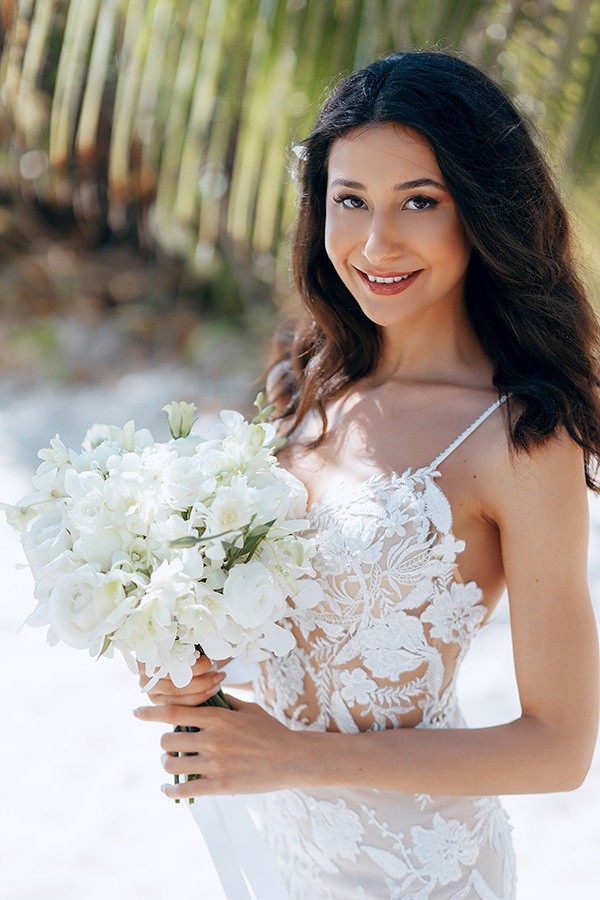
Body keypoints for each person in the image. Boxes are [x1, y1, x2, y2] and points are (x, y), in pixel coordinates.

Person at [135, 51, 600, 898]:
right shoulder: (303, 387)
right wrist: (196, 661)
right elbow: (306, 639)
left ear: (481, 213)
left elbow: (559, 749)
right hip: (287, 854)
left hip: (422, 871)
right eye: (350, 201)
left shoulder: (524, 434)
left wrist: (296, 756)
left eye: (419, 202)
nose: (376, 243)